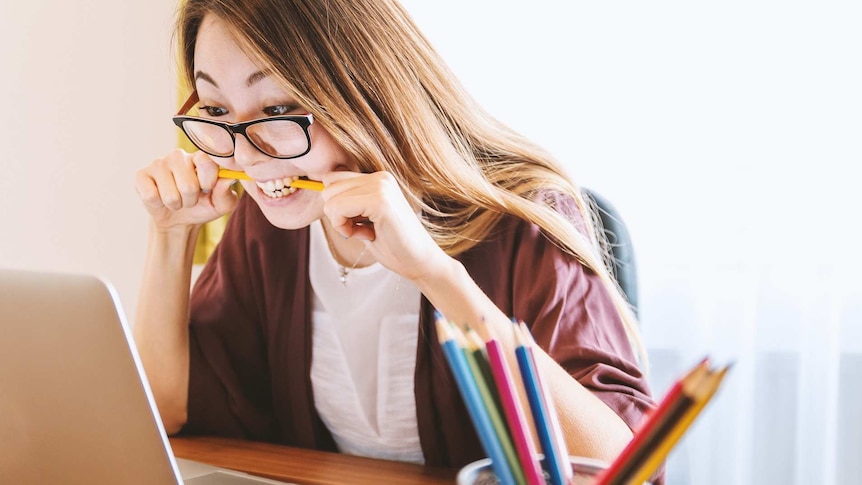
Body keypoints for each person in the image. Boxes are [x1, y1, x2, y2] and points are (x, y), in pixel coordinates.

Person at [133, 0, 657, 474]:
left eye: (277, 110)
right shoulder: (272, 224)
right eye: (217, 110)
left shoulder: (524, 218)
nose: (245, 155)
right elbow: (167, 411)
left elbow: (622, 467)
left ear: (363, 90)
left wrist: (434, 273)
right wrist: (170, 236)